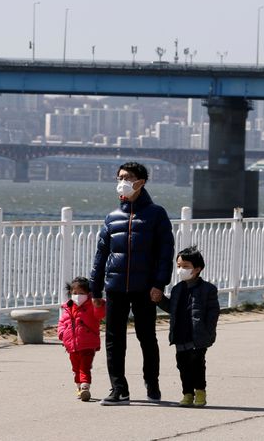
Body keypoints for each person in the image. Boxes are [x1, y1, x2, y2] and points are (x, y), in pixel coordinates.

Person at [90, 161, 175, 405]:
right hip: (115, 287)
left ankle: (152, 381)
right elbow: (101, 255)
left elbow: (165, 253)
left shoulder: (156, 214)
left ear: (141, 182)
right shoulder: (112, 217)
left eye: (127, 177)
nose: (122, 182)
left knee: (146, 336)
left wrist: (160, 284)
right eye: (120, 177)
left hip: (145, 288)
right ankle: (119, 388)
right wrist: (96, 289)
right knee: (114, 339)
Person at [155, 246, 220, 407]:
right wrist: (160, 299)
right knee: (182, 364)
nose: (181, 270)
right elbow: (172, 308)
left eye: (185, 267)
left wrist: (208, 332)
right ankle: (187, 393)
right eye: (178, 266)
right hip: (180, 334)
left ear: (197, 269)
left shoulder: (208, 290)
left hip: (198, 336)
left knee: (197, 363)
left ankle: (200, 391)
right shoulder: (177, 289)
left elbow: (213, 314)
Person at [57, 277, 106, 402]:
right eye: (74, 293)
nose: (77, 296)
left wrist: (99, 304)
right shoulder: (68, 307)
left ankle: (85, 386)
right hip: (71, 344)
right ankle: (79, 386)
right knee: (75, 367)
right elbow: (62, 322)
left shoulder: (92, 305)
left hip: (88, 343)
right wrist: (62, 333)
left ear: (88, 293)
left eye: (81, 293)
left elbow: (100, 314)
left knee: (84, 366)